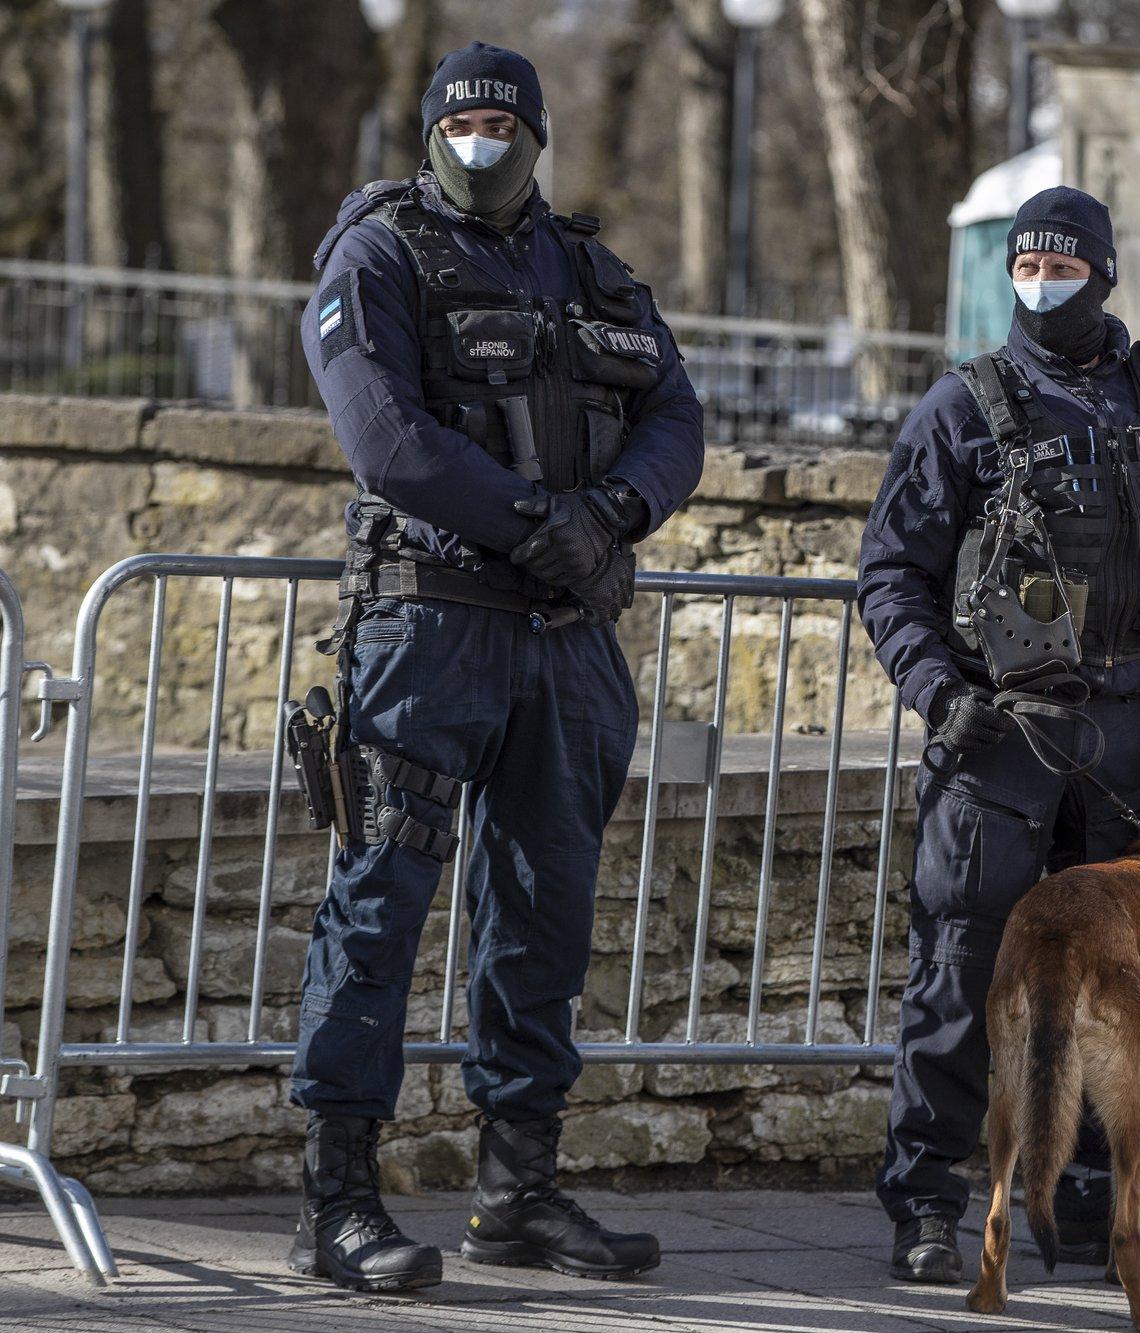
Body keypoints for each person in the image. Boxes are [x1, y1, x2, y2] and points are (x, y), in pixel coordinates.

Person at [288, 41, 703, 1292]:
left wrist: (617, 512)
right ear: (429, 135)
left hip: (566, 645)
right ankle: (335, 1204)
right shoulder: (379, 252)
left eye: (503, 120)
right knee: (377, 912)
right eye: (461, 119)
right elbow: (386, 438)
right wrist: (543, 525)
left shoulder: (593, 271)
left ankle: (520, 1192)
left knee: (544, 921)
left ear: (536, 133)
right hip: (429, 632)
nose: (484, 138)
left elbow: (676, 414)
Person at [857, 186, 1140, 1283]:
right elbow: (891, 576)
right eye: (1024, 258)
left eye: (1061, 260)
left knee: (1114, 989)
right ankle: (930, 1201)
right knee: (963, 962)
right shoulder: (963, 409)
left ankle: (1086, 1194)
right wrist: (939, 691)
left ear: (1105, 272)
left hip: (1128, 739)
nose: (1040, 275)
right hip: (1001, 735)